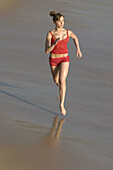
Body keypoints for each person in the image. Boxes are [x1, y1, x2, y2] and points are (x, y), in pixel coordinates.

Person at [45, 11, 82, 116]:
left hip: (64, 59)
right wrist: (54, 43)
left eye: (62, 21)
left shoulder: (67, 32)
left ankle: (61, 104)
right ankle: (61, 89)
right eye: (59, 21)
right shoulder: (50, 34)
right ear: (55, 22)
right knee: (56, 81)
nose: (61, 23)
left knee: (62, 80)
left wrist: (78, 49)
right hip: (54, 60)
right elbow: (47, 50)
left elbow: (75, 37)